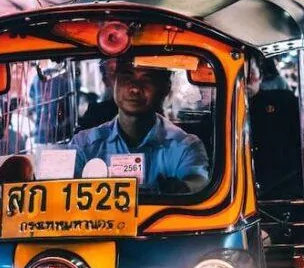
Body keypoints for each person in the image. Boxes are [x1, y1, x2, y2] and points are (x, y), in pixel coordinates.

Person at [70, 61, 209, 194]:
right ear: (114, 82)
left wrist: (182, 188)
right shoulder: (84, 145)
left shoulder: (184, 146)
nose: (135, 88)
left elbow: (199, 181)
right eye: (127, 75)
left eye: (147, 78)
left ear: (165, 88)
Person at [247, 49, 304, 200]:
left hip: (281, 192)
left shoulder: (281, 100)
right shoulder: (219, 111)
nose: (245, 81)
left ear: (260, 76)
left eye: (250, 73)